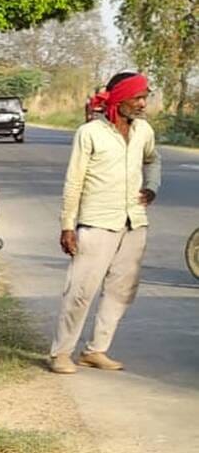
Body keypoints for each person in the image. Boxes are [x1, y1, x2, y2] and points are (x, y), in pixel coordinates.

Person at [50, 71, 159, 374]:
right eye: (137, 97)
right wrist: (67, 226)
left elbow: (153, 159)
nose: (142, 104)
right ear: (119, 98)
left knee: (121, 290)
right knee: (81, 290)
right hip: (96, 222)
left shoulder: (143, 132)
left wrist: (152, 187)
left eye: (144, 98)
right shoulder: (90, 133)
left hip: (134, 223)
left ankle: (96, 350)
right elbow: (74, 182)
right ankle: (61, 353)